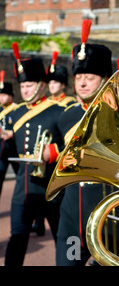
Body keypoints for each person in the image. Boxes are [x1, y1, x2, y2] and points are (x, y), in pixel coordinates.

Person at [55, 19, 119, 266]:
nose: (82, 82)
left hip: (111, 218)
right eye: (78, 77)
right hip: (72, 218)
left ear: (105, 78)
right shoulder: (65, 116)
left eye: (89, 76)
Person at [2, 42, 65, 266]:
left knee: (64, 242)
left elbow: (71, 146)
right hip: (23, 189)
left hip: (52, 189)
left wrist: (53, 151)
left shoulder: (59, 111)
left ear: (40, 85)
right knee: (17, 239)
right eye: (23, 86)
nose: (25, 90)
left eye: (29, 85)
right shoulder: (15, 113)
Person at [0, 79, 19, 198]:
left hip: (15, 149)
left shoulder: (17, 109)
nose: (1, 97)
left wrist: (11, 133)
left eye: (3, 94)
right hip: (2, 150)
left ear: (10, 95)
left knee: (21, 177)